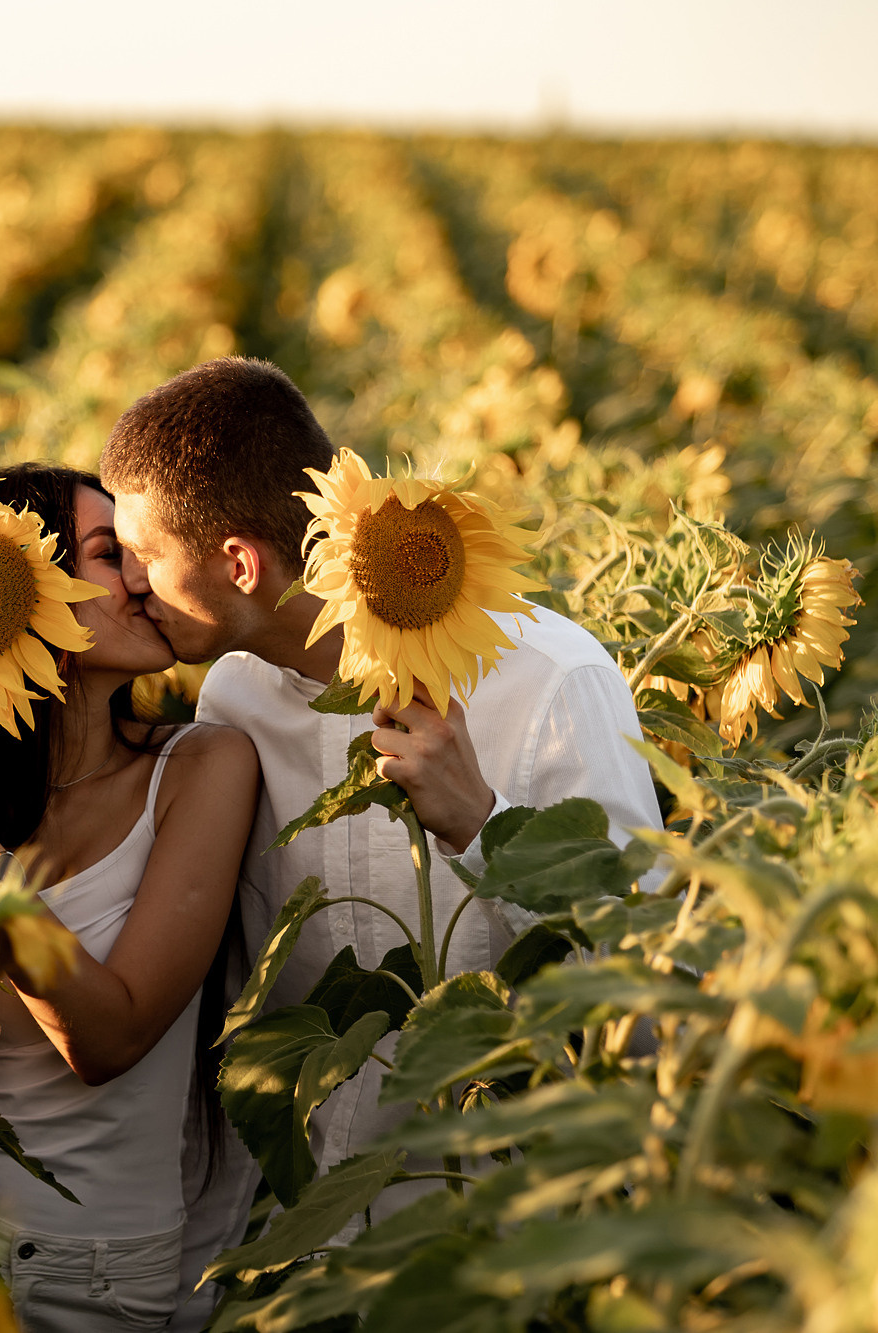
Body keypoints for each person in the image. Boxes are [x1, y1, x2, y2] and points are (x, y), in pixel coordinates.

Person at [98, 357, 664, 1329]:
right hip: (330, 1257)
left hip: (527, 1248)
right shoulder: (231, 698)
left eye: (143, 556)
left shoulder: (550, 677)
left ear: (237, 564)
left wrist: (482, 828)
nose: (127, 584)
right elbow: (249, 1007)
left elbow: (644, 978)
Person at [0, 462, 260, 1333]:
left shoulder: (199, 767)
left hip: (95, 1275)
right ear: (21, 591)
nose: (142, 578)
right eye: (107, 553)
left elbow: (108, 1036)